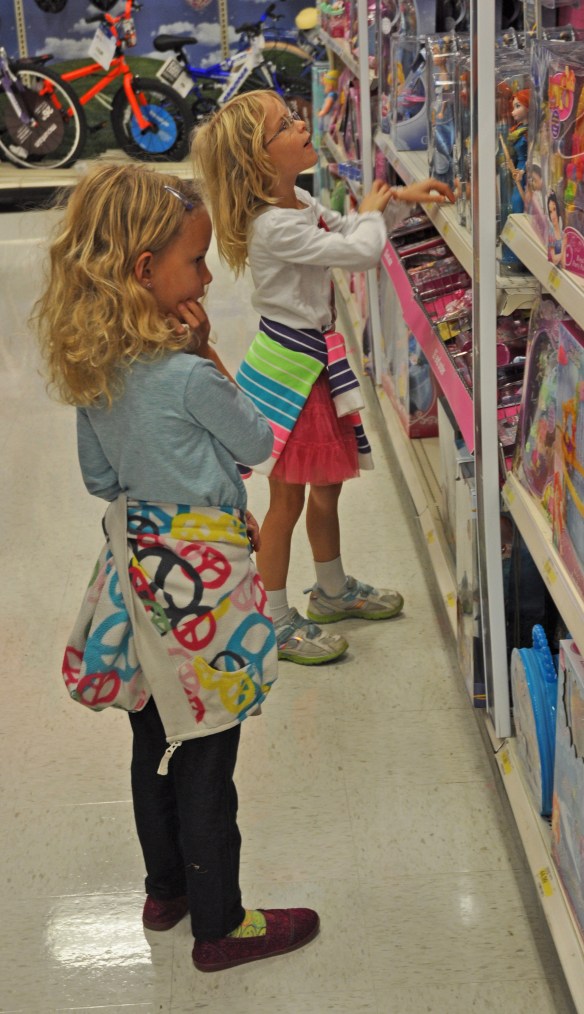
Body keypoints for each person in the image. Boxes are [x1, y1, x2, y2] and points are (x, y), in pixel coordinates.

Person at [34, 163, 319, 972]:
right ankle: (221, 925)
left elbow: (100, 478)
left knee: (152, 733)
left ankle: (166, 890)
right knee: (210, 749)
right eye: (195, 263)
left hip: (135, 571)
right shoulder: (191, 377)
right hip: (206, 586)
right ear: (143, 272)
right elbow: (261, 445)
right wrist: (210, 357)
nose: (204, 276)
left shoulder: (99, 374)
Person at [192, 90, 455, 665]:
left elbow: (348, 228)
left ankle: (332, 592)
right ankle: (276, 617)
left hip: (313, 363)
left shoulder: (300, 200)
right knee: (284, 500)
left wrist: (393, 203)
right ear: (260, 161)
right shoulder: (271, 227)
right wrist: (369, 218)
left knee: (326, 488)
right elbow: (355, 251)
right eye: (285, 124)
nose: (301, 121)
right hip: (292, 372)